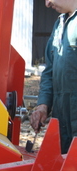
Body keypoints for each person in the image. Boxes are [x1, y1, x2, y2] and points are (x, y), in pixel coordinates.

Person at [30, 0, 77, 154]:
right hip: (62, 118)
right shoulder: (59, 25)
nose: (47, 4)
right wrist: (43, 105)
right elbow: (50, 71)